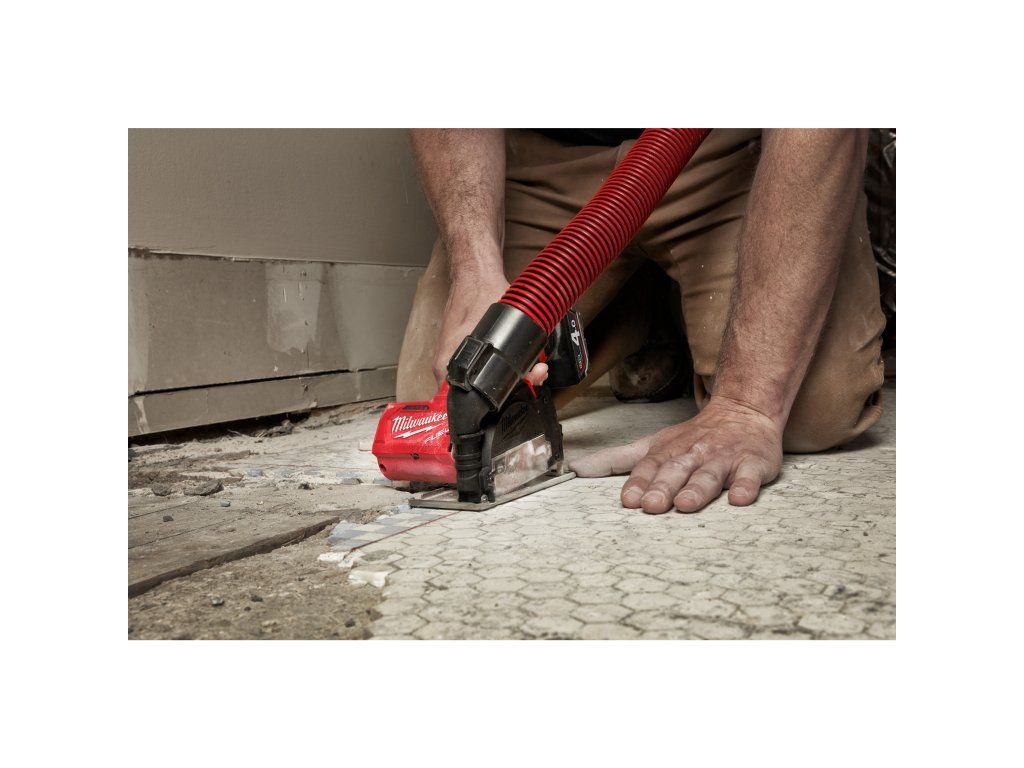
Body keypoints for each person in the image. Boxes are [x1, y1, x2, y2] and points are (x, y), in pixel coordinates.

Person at [396, 129, 885, 515]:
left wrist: (748, 404)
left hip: (730, 155)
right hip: (549, 155)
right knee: (446, 409)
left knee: (810, 411)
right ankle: (640, 310)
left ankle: (674, 302)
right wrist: (474, 270)